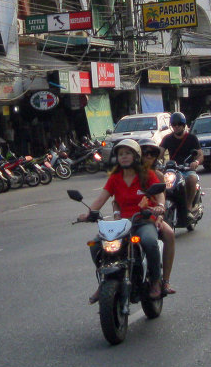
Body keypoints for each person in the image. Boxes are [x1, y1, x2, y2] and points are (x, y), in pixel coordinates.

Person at [77, 139, 165, 302]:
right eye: (120, 154)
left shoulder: (147, 174)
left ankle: (155, 281)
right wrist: (88, 213)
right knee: (96, 244)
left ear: (136, 156)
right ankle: (103, 282)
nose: (124, 157)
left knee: (149, 241)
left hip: (143, 220)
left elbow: (159, 192)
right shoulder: (115, 178)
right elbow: (101, 198)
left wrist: (160, 205)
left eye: (128, 153)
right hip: (122, 224)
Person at [139, 141, 177, 295]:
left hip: (152, 216)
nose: (148, 157)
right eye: (145, 153)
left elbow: (162, 199)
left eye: (152, 154)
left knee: (169, 234)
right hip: (130, 218)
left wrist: (160, 216)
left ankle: (164, 281)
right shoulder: (129, 173)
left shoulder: (158, 175)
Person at [159, 112, 202, 221]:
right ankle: (161, 207)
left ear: (183, 125)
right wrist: (153, 162)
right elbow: (159, 153)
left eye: (179, 124)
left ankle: (188, 208)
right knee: (160, 182)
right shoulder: (167, 139)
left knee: (192, 179)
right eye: (174, 124)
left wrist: (196, 162)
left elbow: (200, 155)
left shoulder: (191, 138)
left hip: (187, 169)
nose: (176, 126)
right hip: (172, 170)